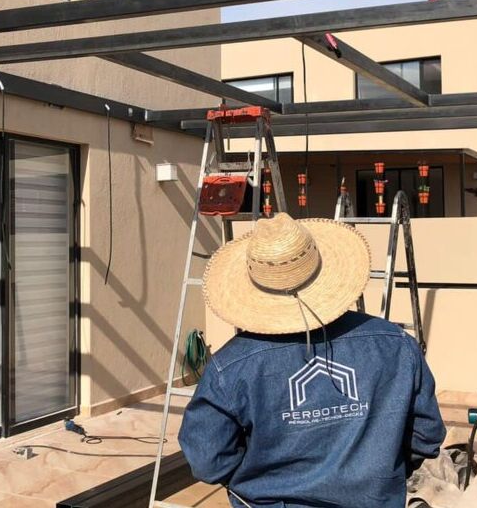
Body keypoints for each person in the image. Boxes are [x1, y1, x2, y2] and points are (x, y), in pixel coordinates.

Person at [178, 214, 445, 508]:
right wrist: (380, 474)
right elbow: (426, 436)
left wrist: (260, 479)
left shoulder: (230, 367)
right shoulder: (395, 345)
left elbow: (207, 460)